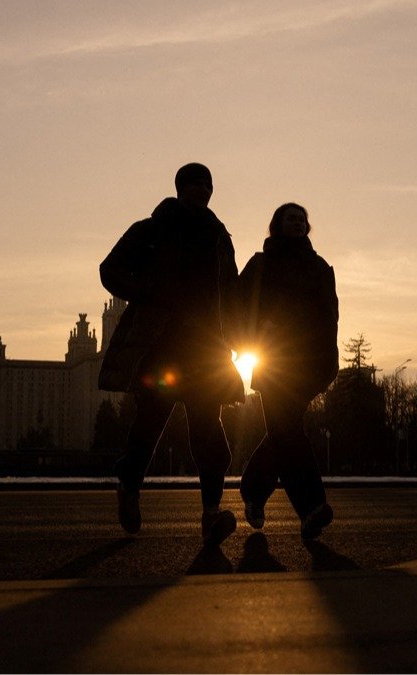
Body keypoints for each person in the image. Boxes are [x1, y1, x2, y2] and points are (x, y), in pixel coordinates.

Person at [98, 162, 245, 547]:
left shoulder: (218, 237)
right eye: (195, 183)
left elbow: (231, 292)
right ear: (181, 188)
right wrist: (148, 293)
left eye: (208, 184)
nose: (203, 190)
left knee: (209, 433)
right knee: (149, 426)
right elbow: (109, 270)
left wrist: (239, 333)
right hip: (160, 346)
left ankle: (211, 515)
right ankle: (129, 486)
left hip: (206, 350)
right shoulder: (151, 229)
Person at [237, 202, 339, 540]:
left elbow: (330, 318)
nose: (297, 223)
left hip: (308, 365)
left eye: (302, 219)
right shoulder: (261, 264)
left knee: (284, 433)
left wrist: (328, 362)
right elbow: (237, 306)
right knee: (288, 433)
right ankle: (311, 509)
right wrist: (249, 338)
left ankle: (253, 492)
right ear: (276, 225)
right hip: (273, 361)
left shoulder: (320, 267)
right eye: (290, 218)